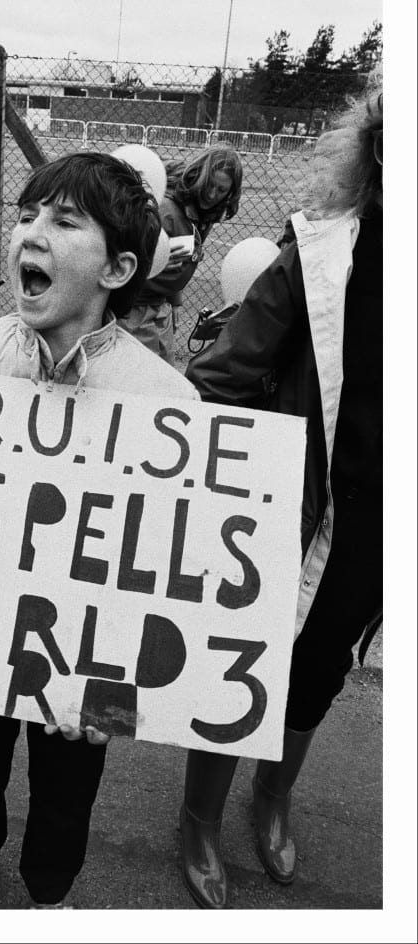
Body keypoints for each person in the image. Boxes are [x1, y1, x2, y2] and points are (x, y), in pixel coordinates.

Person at [0, 151, 200, 909]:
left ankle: (50, 895)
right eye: (25, 216)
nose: (31, 234)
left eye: (64, 221)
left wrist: (117, 697)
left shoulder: (167, 403)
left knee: (68, 792)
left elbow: (163, 567)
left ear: (118, 269)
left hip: (87, 667)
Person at [179, 83, 383, 908]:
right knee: (242, 667)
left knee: (321, 672)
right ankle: (197, 818)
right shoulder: (324, 254)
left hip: (378, 531)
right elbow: (217, 380)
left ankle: (273, 794)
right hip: (290, 514)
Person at [119, 143, 242, 363]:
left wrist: (174, 300)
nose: (213, 194)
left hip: (160, 306)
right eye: (209, 185)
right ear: (198, 177)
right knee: (142, 376)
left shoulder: (205, 214)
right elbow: (122, 263)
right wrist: (153, 265)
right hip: (134, 308)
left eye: (222, 190)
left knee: (164, 370)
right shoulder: (166, 212)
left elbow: (181, 259)